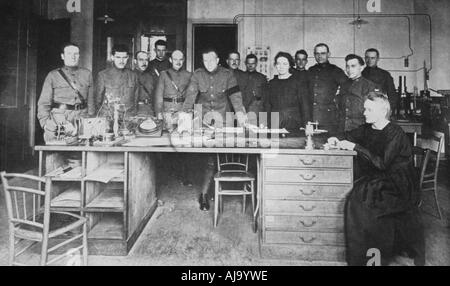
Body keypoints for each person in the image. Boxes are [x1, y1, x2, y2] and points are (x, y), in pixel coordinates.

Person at [328, 91, 424, 266]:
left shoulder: (394, 132)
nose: (364, 113)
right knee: (357, 199)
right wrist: (336, 139)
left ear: (382, 112)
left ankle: (374, 260)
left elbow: (382, 163)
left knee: (365, 205)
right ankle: (362, 259)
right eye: (365, 109)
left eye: (369, 110)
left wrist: (355, 147)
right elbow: (348, 135)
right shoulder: (368, 128)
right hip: (378, 178)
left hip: (398, 183)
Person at [179, 48, 247, 211]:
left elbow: (235, 97)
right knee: (206, 156)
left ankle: (209, 191)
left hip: (223, 120)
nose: (208, 64)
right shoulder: (197, 75)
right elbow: (190, 98)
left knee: (217, 156)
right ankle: (205, 193)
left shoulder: (227, 75)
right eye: (205, 61)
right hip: (203, 122)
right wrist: (183, 120)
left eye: (212, 60)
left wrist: (242, 115)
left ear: (218, 60)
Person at [37, 42, 94, 142]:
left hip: (82, 120)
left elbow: (91, 102)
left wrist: (90, 120)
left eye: (76, 54)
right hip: (59, 120)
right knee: (56, 154)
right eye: (69, 54)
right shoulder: (53, 75)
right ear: (62, 56)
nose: (73, 57)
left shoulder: (87, 74)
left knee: (82, 154)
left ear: (79, 56)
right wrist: (45, 124)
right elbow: (43, 103)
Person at [154, 50, 193, 186]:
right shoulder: (164, 75)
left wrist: (188, 112)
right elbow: (159, 95)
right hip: (168, 111)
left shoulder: (189, 75)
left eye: (181, 59)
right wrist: (159, 113)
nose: (178, 62)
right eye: (175, 59)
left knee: (185, 145)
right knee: (168, 144)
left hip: (184, 111)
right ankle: (169, 175)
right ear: (170, 60)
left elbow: (191, 95)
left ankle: (185, 175)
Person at [264, 52, 311, 132]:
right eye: (278, 64)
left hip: (293, 123)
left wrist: (306, 124)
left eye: (285, 64)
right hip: (275, 122)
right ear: (275, 65)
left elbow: (304, 105)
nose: (281, 67)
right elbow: (267, 105)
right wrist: (265, 123)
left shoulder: (298, 82)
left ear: (290, 65)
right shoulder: (271, 83)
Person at [307, 43, 347, 135]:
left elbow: (347, 87)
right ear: (314, 55)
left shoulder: (336, 71)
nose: (320, 56)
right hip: (311, 115)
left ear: (329, 54)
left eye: (323, 53)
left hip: (328, 116)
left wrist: (336, 100)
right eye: (317, 53)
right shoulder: (311, 70)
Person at [95, 44, 139, 119]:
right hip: (108, 117)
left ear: (128, 57)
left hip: (128, 118)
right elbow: (97, 101)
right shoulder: (103, 75)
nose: (121, 61)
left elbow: (135, 99)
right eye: (118, 57)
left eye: (124, 57)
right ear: (112, 57)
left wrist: (132, 116)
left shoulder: (133, 76)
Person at [339, 54, 377, 132]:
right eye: (347, 66)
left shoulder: (369, 85)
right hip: (342, 129)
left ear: (361, 68)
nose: (349, 69)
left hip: (360, 129)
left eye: (353, 66)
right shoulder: (343, 85)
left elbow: (372, 111)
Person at [133, 51, 155, 116]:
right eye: (141, 60)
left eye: (146, 60)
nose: (144, 63)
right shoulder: (130, 76)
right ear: (135, 61)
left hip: (150, 110)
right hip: (135, 110)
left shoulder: (151, 77)